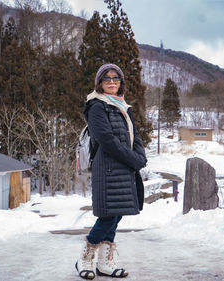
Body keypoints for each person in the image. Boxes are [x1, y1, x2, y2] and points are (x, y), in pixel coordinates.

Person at [75, 63, 147, 279]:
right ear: (100, 83)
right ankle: (84, 258)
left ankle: (105, 262)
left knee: (116, 215)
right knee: (107, 216)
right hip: (107, 169)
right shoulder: (96, 106)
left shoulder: (124, 106)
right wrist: (133, 159)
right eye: (107, 78)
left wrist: (140, 156)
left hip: (124, 169)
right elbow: (107, 140)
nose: (112, 82)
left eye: (116, 78)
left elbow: (135, 135)